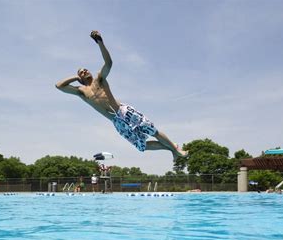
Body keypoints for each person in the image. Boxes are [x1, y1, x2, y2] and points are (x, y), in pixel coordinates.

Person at [56, 31, 188, 161]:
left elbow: (109, 63)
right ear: (80, 77)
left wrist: (100, 42)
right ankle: (172, 148)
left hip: (124, 112)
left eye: (85, 69)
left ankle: (176, 150)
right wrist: (75, 77)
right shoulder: (82, 92)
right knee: (141, 146)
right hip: (117, 122)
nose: (84, 71)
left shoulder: (99, 79)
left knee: (153, 131)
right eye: (81, 72)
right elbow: (59, 86)